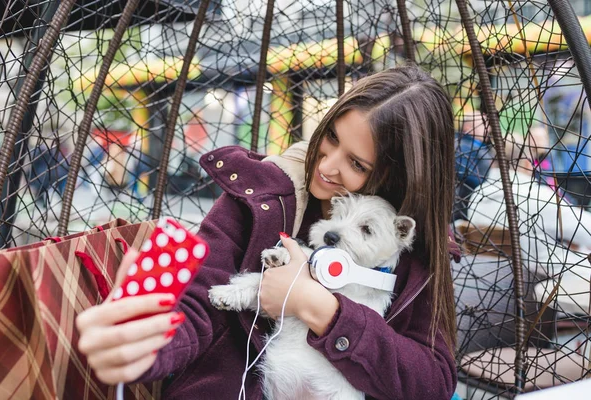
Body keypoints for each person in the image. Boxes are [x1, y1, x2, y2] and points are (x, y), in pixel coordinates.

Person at [76, 65, 460, 399]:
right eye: (329, 138)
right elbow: (199, 301)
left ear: (395, 176)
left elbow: (432, 382)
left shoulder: (412, 247)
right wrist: (146, 345)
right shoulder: (259, 194)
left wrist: (320, 309)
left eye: (357, 164)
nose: (327, 166)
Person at [467, 134, 591, 279]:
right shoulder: (537, 196)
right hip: (550, 284)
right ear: (527, 163)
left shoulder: (477, 196)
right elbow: (587, 230)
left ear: (493, 163)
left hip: (491, 281)